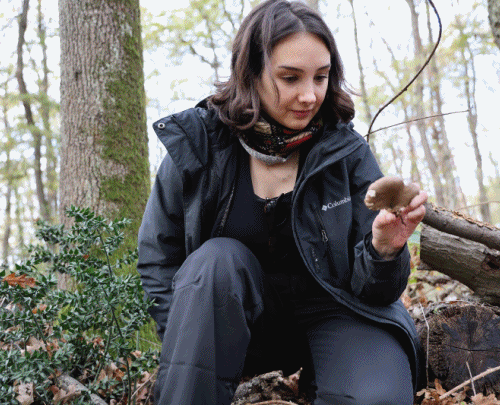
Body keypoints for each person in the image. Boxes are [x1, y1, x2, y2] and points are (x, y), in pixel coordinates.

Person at [137, 0, 428, 404]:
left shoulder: (346, 151)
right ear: (251, 73)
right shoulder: (198, 147)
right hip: (236, 326)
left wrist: (384, 249)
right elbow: (159, 258)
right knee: (215, 261)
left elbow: (378, 292)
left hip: (340, 314)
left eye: (321, 77)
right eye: (290, 78)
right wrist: (189, 347)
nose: (309, 95)